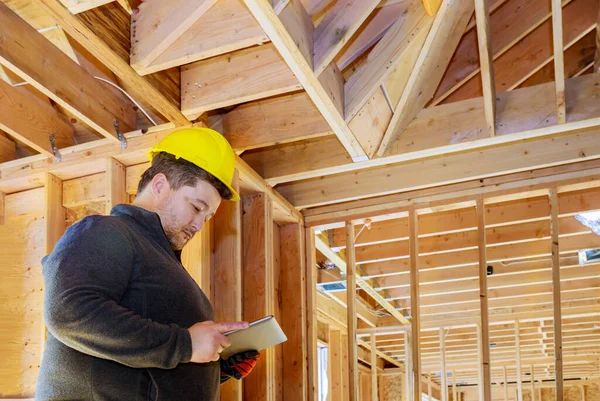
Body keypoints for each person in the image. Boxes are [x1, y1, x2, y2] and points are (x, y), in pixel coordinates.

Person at [36, 128, 259, 401]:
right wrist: (186, 345)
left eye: (208, 216)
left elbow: (145, 368)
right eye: (197, 207)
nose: (199, 225)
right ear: (160, 185)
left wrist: (215, 366)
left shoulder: (162, 262)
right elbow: (69, 313)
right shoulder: (107, 232)